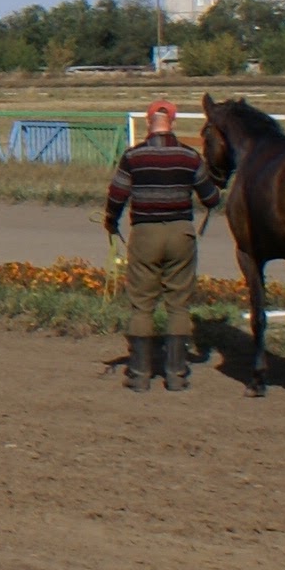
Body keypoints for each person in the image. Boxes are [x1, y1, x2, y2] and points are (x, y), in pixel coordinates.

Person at [104, 97, 216, 390]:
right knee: (178, 305)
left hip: (145, 234)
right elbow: (210, 198)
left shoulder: (133, 157)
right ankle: (176, 375)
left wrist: (110, 221)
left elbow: (116, 195)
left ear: (147, 122)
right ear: (173, 122)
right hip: (181, 234)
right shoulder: (190, 156)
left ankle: (140, 375)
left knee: (142, 306)